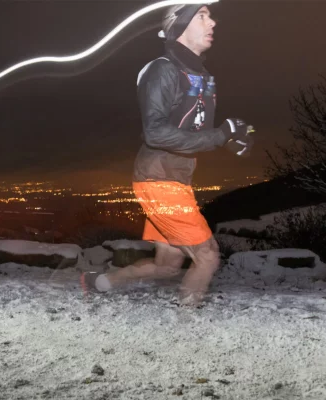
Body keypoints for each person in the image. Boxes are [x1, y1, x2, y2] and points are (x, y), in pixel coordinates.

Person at [81, 3, 255, 306]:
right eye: (202, 15)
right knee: (208, 257)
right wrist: (221, 135)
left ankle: (100, 282)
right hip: (159, 180)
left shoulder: (199, 76)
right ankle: (186, 333)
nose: (213, 21)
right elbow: (156, 132)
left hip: (171, 179)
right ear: (180, 26)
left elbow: (196, 130)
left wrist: (234, 135)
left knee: (167, 265)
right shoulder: (163, 70)